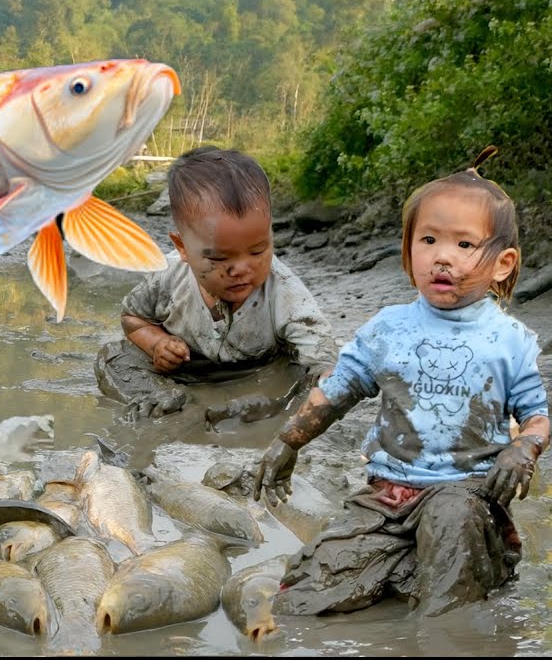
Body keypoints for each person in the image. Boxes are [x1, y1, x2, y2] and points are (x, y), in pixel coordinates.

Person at [250, 147, 549, 617]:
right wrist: (287, 442)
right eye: (428, 240)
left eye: (464, 246)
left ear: (503, 264)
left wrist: (522, 449)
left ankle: (445, 608)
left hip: (466, 493)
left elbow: (536, 417)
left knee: (449, 566)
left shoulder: (509, 340)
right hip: (388, 495)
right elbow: (337, 390)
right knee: (307, 591)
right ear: (408, 247)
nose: (442, 258)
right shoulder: (388, 329)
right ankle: (403, 561)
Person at [95, 146, 338, 421]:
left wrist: (326, 375)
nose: (241, 269)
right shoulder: (167, 278)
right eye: (220, 257)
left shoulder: (282, 288)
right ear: (183, 248)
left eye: (258, 251)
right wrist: (157, 344)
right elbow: (132, 318)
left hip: (259, 369)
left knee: (302, 370)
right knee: (115, 357)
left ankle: (261, 406)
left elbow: (316, 341)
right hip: (187, 368)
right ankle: (165, 401)